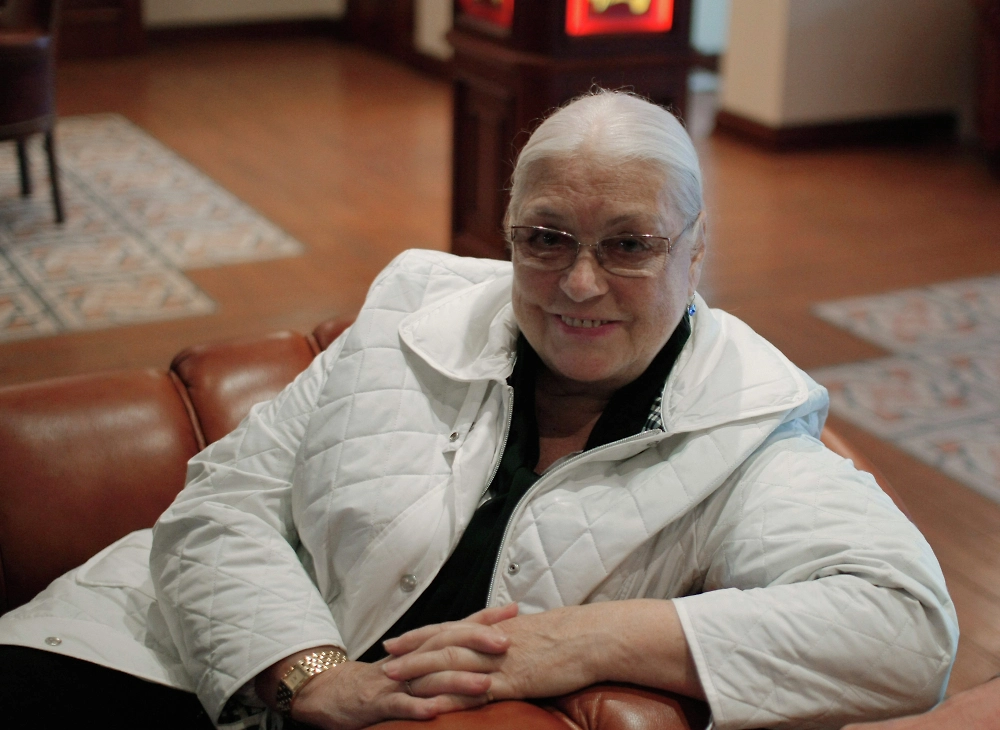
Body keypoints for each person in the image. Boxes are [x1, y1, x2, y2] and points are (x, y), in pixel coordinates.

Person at [0, 90, 958, 730]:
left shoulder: (746, 423)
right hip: (144, 648)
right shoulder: (412, 310)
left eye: (630, 245)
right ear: (508, 232)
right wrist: (310, 672)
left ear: (697, 249)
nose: (579, 284)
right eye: (546, 238)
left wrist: (580, 640)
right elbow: (219, 503)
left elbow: (908, 628)